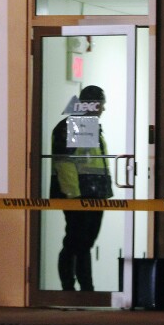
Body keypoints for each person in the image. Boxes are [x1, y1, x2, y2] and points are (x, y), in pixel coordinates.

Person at [50, 84, 112, 291]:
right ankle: (80, 288)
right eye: (101, 104)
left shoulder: (85, 125)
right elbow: (65, 163)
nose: (103, 109)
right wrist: (73, 196)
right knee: (77, 243)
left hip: (91, 194)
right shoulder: (78, 125)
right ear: (92, 105)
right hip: (81, 195)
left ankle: (82, 288)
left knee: (82, 244)